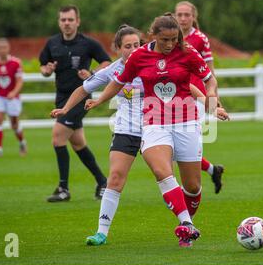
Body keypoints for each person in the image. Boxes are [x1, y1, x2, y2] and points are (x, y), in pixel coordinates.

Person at [85, 13, 219, 247]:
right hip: (155, 122)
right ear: (153, 35)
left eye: (174, 39)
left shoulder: (188, 52)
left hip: (186, 122)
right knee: (161, 171)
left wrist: (212, 99)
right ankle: (186, 225)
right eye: (165, 39)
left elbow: (209, 79)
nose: (170, 45)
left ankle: (188, 224)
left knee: (193, 186)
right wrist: (98, 100)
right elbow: (118, 81)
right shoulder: (140, 56)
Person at [50, 24, 143, 246]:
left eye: (137, 45)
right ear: (118, 49)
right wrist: (65, 109)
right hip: (126, 129)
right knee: (115, 178)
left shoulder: (153, 61)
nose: (133, 49)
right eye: (128, 46)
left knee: (167, 175)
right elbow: (83, 89)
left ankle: (185, 223)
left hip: (157, 128)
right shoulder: (112, 70)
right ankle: (101, 232)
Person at [39, 5, 111, 202]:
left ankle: (63, 189)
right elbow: (43, 67)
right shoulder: (52, 43)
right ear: (59, 22)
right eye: (63, 20)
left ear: (77, 21)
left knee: (57, 137)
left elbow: (107, 63)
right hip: (61, 97)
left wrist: (92, 73)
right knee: (78, 143)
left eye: (70, 19)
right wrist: (47, 70)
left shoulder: (88, 43)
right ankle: (103, 182)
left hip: (81, 98)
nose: (67, 23)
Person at [175, 1, 226, 194]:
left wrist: (214, 98)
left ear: (193, 17)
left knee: (187, 143)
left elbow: (210, 72)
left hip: (195, 97)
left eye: (186, 14)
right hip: (175, 95)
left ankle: (187, 187)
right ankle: (212, 170)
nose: (183, 18)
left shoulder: (200, 39)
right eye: (179, 14)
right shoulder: (170, 38)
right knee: (175, 143)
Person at [0, 38, 27, 158]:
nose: (2, 50)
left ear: (8, 48)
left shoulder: (16, 62)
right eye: (0, 48)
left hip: (13, 97)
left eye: (5, 47)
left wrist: (14, 92)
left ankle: (22, 142)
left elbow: (20, 81)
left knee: (14, 124)